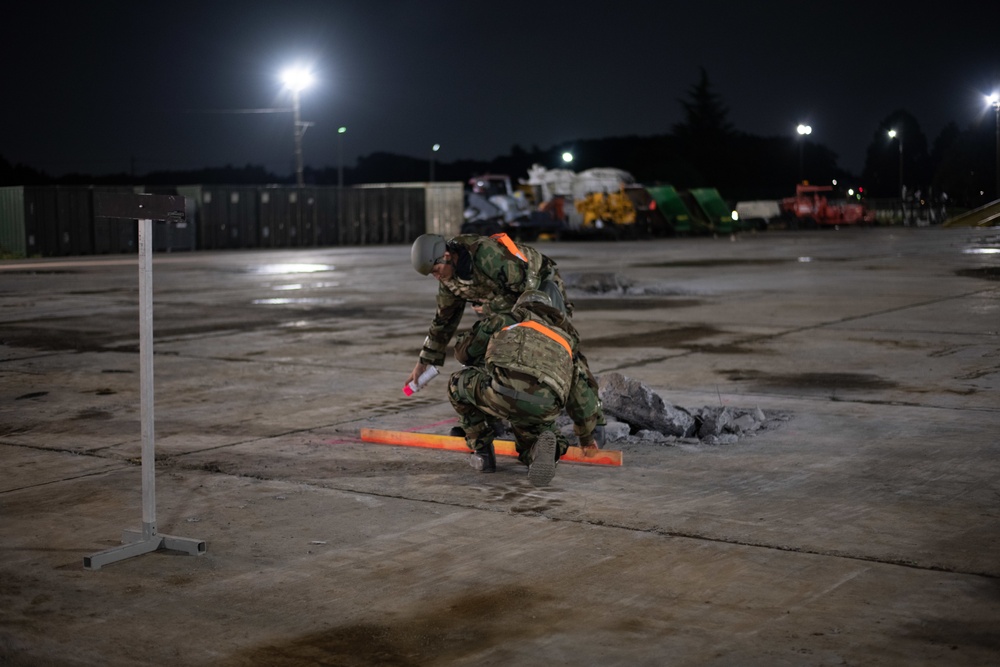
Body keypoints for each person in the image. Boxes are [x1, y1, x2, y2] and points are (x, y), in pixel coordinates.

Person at [407, 232, 605, 443]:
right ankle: (491, 420)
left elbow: (528, 290)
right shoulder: (448, 279)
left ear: (447, 255)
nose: (437, 276)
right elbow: (444, 320)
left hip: (540, 288)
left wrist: (492, 308)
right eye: (432, 274)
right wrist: (425, 361)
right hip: (502, 302)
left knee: (558, 347)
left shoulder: (486, 256)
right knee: (488, 349)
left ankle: (592, 424)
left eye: (436, 270)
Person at [448, 290, 597, 485]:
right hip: (543, 404)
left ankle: (483, 454)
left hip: (502, 393)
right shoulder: (564, 340)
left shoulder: (508, 320)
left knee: (457, 383)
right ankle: (538, 452)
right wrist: (586, 439)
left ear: (522, 306)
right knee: (534, 437)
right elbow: (581, 396)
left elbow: (463, 354)